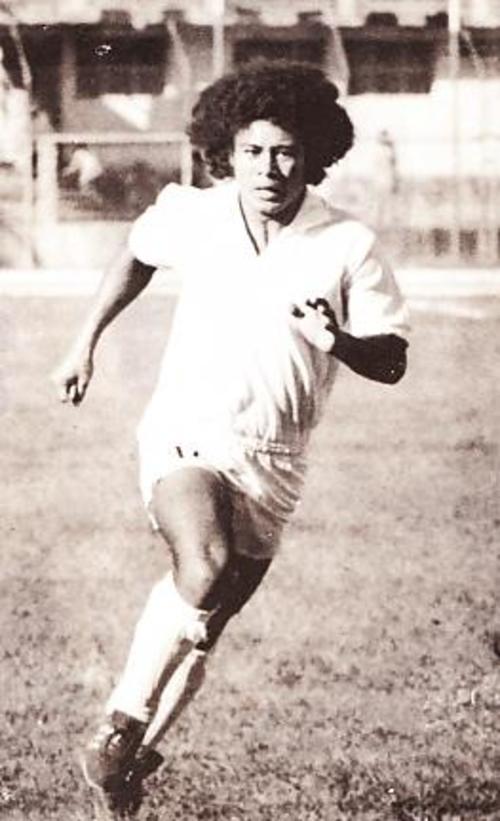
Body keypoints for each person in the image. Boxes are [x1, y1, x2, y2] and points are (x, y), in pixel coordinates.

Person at [52, 61, 409, 813]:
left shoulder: (347, 242)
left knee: (203, 628)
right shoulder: (198, 213)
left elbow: (392, 358)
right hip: (188, 430)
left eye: (285, 152)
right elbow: (137, 253)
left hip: (276, 459)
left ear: (313, 153)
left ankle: (129, 761)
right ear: (227, 152)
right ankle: (119, 725)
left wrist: (339, 340)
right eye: (252, 152)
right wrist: (84, 342)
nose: (268, 168)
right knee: (205, 561)